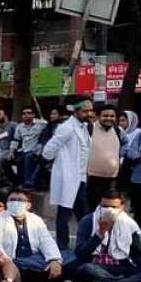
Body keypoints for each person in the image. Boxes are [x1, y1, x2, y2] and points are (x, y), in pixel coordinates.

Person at [0, 189, 72, 282]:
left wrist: (54, 260)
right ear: (7, 203)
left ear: (28, 205)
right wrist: (8, 264)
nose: (16, 202)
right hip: (9, 262)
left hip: (33, 262)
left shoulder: (36, 220)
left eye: (20, 200)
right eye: (12, 200)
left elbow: (46, 241)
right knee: (21, 270)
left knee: (68, 258)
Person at [42, 96, 94, 250]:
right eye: (85, 111)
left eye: (90, 110)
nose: (89, 114)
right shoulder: (66, 127)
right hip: (69, 177)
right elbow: (49, 149)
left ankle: (83, 245)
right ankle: (63, 246)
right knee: (66, 213)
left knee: (82, 214)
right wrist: (54, 163)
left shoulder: (83, 127)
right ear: (75, 111)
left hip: (80, 177)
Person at [72, 189, 141, 282]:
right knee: (86, 269)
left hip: (120, 266)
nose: (109, 210)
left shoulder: (130, 224)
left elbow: (137, 255)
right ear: (99, 205)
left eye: (114, 207)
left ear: (122, 208)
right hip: (96, 266)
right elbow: (80, 253)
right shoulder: (88, 221)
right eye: (105, 206)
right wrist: (100, 233)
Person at [87, 104, 122, 210]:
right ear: (98, 116)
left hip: (112, 180)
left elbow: (126, 145)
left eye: (112, 116)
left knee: (110, 210)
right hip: (92, 179)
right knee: (93, 209)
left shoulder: (118, 130)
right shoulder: (89, 128)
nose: (109, 118)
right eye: (105, 115)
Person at [10, 107, 47, 190]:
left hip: (37, 150)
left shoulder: (42, 124)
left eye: (29, 113)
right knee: (17, 160)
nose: (26, 115)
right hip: (24, 149)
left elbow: (47, 135)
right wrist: (12, 151)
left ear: (33, 115)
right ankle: (19, 183)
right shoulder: (20, 127)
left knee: (28, 158)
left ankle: (29, 184)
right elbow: (16, 140)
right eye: (24, 114)